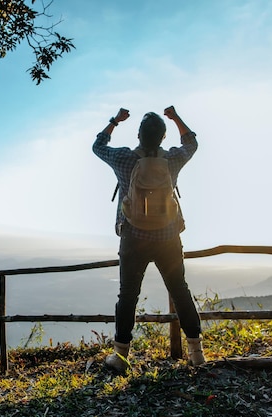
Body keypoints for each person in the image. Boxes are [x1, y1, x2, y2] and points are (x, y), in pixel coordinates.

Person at [92, 105, 205, 372]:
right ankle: (197, 354)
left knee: (128, 295)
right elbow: (192, 142)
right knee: (180, 290)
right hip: (168, 237)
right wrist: (176, 117)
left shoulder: (124, 159)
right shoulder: (173, 159)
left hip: (133, 237)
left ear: (139, 136)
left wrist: (115, 121)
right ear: (163, 138)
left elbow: (98, 145)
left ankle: (120, 357)